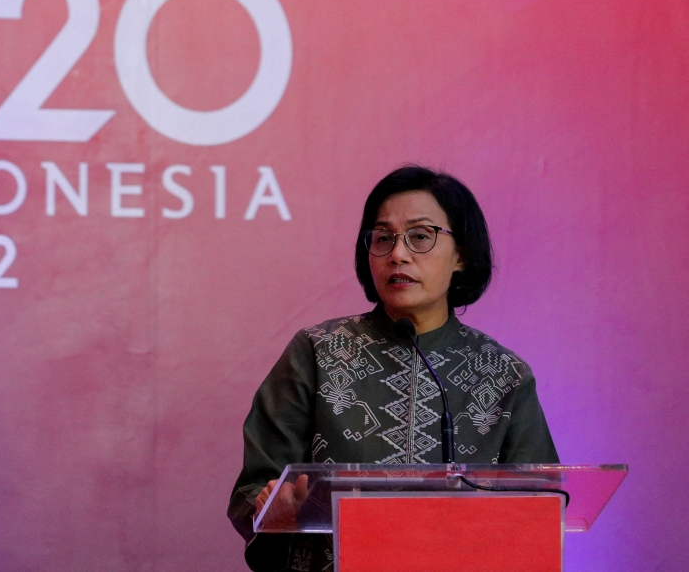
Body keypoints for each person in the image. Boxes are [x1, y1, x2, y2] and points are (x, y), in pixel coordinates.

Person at [227, 165, 559, 572]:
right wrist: (275, 512)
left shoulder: (502, 373)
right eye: (383, 238)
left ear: (462, 254)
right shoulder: (317, 351)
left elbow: (541, 506)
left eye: (420, 236)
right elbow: (253, 490)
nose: (398, 254)